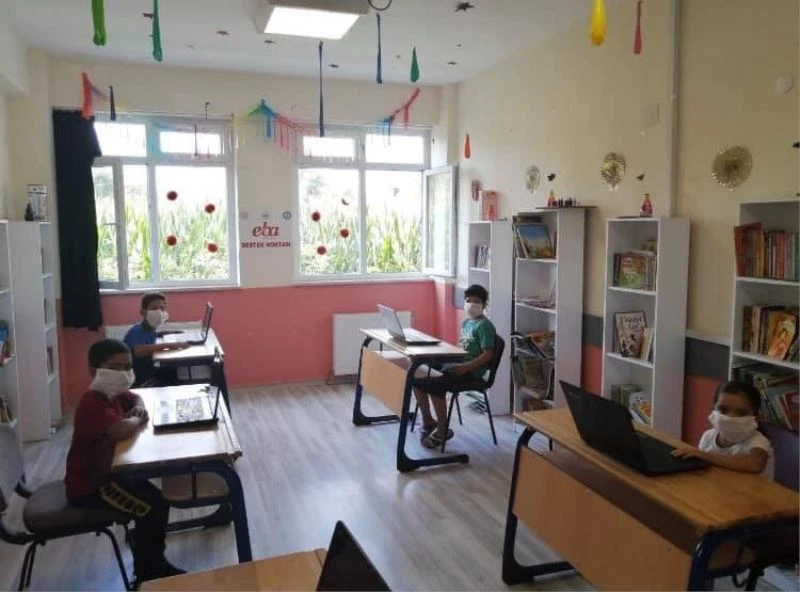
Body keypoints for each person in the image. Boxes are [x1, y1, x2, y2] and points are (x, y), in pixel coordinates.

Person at [65, 339, 184, 583]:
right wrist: (137, 420)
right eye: (114, 367)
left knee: (157, 500)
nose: (123, 374)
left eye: (127, 367)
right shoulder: (91, 402)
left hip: (111, 473)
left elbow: (136, 398)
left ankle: (152, 562)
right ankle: (149, 573)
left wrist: (137, 410)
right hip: (92, 486)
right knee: (152, 507)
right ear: (93, 370)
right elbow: (118, 431)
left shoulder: (114, 394)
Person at [413, 284, 497, 449]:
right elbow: (463, 349)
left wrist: (466, 367)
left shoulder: (485, 326)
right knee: (418, 374)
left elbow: (488, 354)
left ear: (484, 304)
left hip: (471, 371)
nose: (472, 304)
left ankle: (442, 430)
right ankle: (428, 421)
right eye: (469, 300)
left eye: (477, 301)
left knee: (436, 383)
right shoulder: (466, 322)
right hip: (458, 363)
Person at [672, 381, 774, 479]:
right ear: (713, 409)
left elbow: (755, 464)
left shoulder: (758, 440)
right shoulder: (708, 436)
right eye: (723, 410)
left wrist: (705, 455)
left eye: (741, 413)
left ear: (756, 417)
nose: (730, 417)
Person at [124, 292, 188, 387]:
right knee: (173, 371)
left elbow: (151, 335)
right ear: (143, 312)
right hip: (139, 377)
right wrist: (171, 345)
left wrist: (170, 333)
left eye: (162, 308)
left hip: (148, 370)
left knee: (174, 370)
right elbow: (138, 351)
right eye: (154, 309)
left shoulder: (150, 328)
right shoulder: (136, 330)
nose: (159, 312)